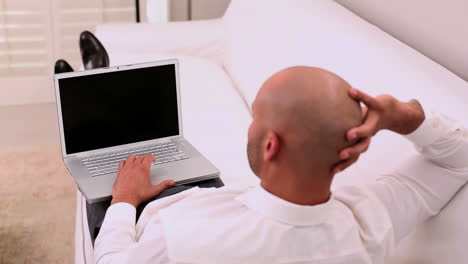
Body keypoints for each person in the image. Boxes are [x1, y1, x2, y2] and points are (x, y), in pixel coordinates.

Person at [93, 66, 468, 264]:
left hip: (144, 223)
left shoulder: (179, 240)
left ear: (271, 144)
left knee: (109, 196)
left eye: (255, 116)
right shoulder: (370, 223)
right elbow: (457, 162)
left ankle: (97, 73)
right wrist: (403, 116)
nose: (250, 125)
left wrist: (124, 201)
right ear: (346, 154)